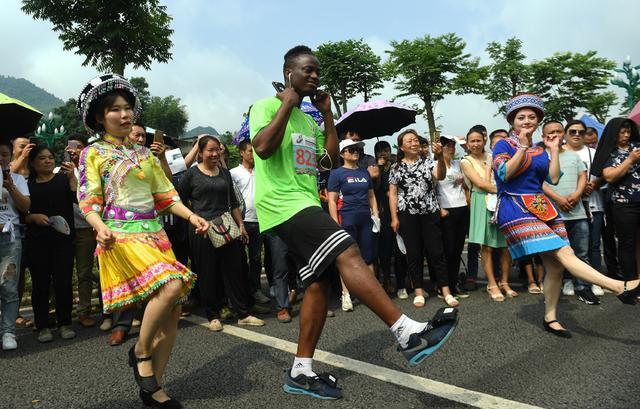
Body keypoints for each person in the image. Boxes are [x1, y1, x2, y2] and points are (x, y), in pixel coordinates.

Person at [250, 45, 457, 400]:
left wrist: (327, 116)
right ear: (289, 73)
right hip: (282, 205)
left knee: (318, 284)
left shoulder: (308, 119)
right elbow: (263, 147)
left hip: (303, 200)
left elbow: (328, 161)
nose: (314, 76)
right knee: (348, 248)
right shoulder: (265, 107)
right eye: (307, 70)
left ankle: (300, 371)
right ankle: (406, 332)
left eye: (317, 71)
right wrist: (286, 102)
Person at [76, 73, 209, 407]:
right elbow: (88, 199)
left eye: (127, 108)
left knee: (174, 310)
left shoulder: (147, 156)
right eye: (115, 110)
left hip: (155, 235)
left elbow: (166, 195)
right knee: (172, 285)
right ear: (98, 117)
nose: (125, 115)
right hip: (118, 236)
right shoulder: (92, 154)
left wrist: (191, 216)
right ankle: (140, 351)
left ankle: (153, 387)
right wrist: (97, 225)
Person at [492, 94, 640, 338]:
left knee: (557, 266)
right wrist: (522, 147)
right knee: (566, 253)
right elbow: (505, 173)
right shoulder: (504, 145)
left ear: (538, 121)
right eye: (521, 117)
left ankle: (550, 317)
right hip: (515, 206)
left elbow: (553, 179)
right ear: (513, 121)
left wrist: (552, 151)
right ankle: (619, 287)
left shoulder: (542, 151)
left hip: (542, 206)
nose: (527, 120)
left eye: (532, 117)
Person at [179, 135, 265, 331]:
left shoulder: (225, 174)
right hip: (202, 229)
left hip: (227, 226)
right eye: (210, 150)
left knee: (234, 270)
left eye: (218, 149)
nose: (215, 153)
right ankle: (213, 315)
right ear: (200, 153)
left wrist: (241, 225)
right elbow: (178, 200)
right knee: (208, 272)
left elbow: (233, 202)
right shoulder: (191, 175)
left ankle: (243, 313)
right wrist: (193, 217)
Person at [389, 130, 459, 307]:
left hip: (429, 212)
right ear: (402, 147)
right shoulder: (395, 167)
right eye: (409, 141)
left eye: (416, 140)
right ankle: (419, 291)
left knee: (437, 251)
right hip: (407, 214)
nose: (414, 143)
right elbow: (393, 194)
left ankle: (446, 291)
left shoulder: (429, 162)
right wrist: (394, 217)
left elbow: (441, 176)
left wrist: (440, 157)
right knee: (414, 253)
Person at [541, 120, 600, 305]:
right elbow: (539, 183)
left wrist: (576, 194)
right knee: (554, 255)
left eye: (559, 131)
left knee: (581, 252)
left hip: (577, 212)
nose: (555, 135)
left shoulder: (574, 156)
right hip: (552, 214)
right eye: (551, 132)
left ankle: (583, 287)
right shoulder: (541, 156)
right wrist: (558, 199)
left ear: (564, 134)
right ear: (544, 137)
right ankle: (558, 286)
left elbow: (583, 177)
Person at [25, 145, 77, 343]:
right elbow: (23, 215)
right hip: (37, 241)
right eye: (42, 158)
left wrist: (72, 177)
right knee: (40, 284)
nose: (47, 161)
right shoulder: (28, 185)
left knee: (63, 281)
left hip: (63, 240)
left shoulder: (63, 179)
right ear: (33, 163)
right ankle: (43, 325)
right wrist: (34, 217)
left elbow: (78, 199)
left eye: (50, 157)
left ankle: (65, 323)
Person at [460, 128, 515, 302]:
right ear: (467, 144)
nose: (476, 144)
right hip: (481, 200)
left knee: (505, 245)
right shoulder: (465, 161)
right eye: (472, 141)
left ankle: (504, 282)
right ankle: (492, 284)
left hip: (500, 200)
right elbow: (480, 183)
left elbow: (507, 175)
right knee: (487, 246)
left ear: (484, 140)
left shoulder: (493, 156)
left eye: (478, 140)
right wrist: (505, 189)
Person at [327, 139, 379, 311]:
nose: (355, 151)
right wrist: (335, 223)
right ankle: (346, 294)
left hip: (365, 218)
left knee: (369, 256)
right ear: (342, 154)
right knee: (347, 257)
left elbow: (371, 196)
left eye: (357, 149)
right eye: (351, 149)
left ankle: (372, 293)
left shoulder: (364, 173)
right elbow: (332, 201)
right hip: (347, 218)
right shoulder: (336, 174)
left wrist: (376, 216)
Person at [591, 118, 640, 282]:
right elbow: (610, 176)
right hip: (624, 204)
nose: (626, 135)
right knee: (627, 243)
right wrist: (630, 160)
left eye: (628, 132)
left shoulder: (637, 147)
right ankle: (630, 282)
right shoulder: (610, 152)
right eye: (622, 132)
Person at [562, 120, 606, 297]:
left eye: (581, 132)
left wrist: (593, 184)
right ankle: (567, 280)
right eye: (572, 131)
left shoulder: (593, 153)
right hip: (566, 206)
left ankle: (593, 280)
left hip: (592, 205)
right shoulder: (558, 153)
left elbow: (603, 176)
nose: (577, 135)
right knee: (566, 248)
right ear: (565, 134)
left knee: (592, 246)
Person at [231, 140, 270, 304]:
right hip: (242, 221)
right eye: (249, 151)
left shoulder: (262, 170)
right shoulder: (233, 173)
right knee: (238, 260)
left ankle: (256, 290)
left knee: (256, 259)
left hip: (260, 220)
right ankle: (239, 293)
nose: (253, 154)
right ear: (241, 153)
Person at [66, 133, 99, 328]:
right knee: (78, 273)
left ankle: (92, 310)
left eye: (78, 147)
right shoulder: (58, 170)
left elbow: (86, 197)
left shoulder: (93, 170)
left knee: (90, 271)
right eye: (70, 147)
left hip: (92, 228)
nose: (74, 150)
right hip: (71, 230)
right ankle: (78, 311)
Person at [0, 140, 30, 350]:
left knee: (9, 285)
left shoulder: (17, 179)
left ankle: (8, 331)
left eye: (4, 154)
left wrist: (10, 186)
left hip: (10, 238)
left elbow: (25, 206)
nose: (0, 158)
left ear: (10, 156)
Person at [436, 135, 469, 299]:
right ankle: (443, 286)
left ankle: (454, 285)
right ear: (440, 147)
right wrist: (439, 208)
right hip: (446, 211)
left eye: (453, 146)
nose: (451, 148)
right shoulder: (436, 165)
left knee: (457, 250)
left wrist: (463, 144)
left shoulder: (458, 164)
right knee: (447, 250)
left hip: (462, 208)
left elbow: (472, 156)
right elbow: (432, 190)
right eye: (448, 146)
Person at [373, 140, 401, 294]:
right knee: (385, 248)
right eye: (380, 150)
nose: (383, 153)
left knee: (400, 247)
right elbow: (375, 188)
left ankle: (403, 279)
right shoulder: (374, 167)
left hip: (398, 210)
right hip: (383, 211)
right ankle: (387, 280)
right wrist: (378, 167)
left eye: (386, 149)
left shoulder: (396, 165)